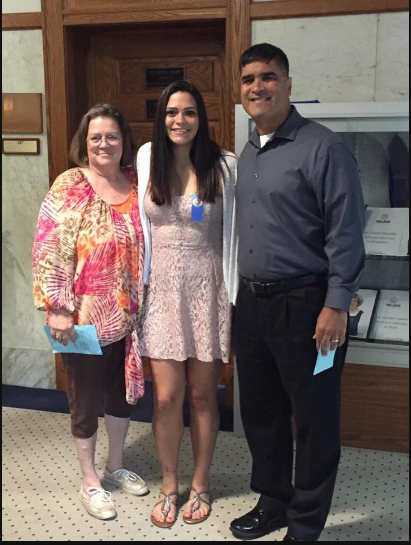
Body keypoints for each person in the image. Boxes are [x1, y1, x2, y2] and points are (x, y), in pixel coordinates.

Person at [230, 44, 365, 542]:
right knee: (261, 413)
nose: (257, 87)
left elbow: (346, 231)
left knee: (313, 419)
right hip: (253, 304)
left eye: (268, 77)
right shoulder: (249, 151)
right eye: (248, 79)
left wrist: (335, 304)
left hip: (308, 306)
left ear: (287, 83)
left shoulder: (323, 148)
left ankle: (305, 525)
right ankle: (274, 502)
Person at [32, 104, 149, 521]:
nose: (104, 144)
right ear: (85, 142)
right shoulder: (71, 184)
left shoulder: (136, 182)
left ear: (124, 142)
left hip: (129, 316)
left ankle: (115, 466)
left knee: (121, 395)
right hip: (81, 317)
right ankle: (89, 479)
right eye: (95, 137)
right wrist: (57, 307)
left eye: (112, 136)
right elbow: (49, 247)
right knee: (84, 399)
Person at [136, 80, 238, 529]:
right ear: (161, 118)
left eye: (190, 112)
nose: (180, 121)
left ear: (202, 117)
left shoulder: (224, 165)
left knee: (201, 395)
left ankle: (200, 484)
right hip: (160, 292)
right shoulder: (146, 159)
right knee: (165, 397)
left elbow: (236, 232)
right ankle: (169, 484)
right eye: (172, 112)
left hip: (208, 289)